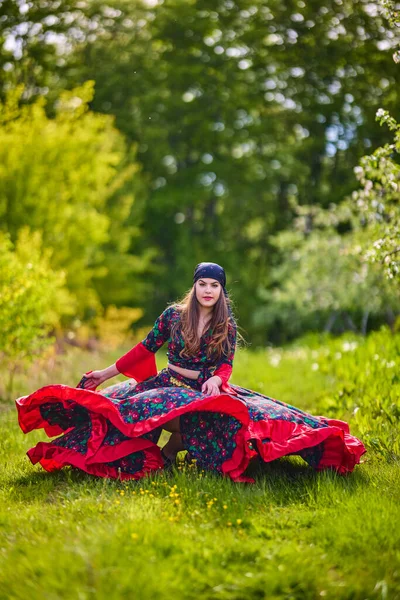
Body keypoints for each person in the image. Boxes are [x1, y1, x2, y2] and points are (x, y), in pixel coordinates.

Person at [16, 262, 366, 482]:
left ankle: (169, 454)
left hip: (204, 389)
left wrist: (217, 379)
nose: (208, 290)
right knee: (129, 411)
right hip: (168, 383)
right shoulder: (172, 316)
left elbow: (226, 364)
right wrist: (106, 375)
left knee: (253, 416)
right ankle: (167, 452)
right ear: (194, 287)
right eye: (203, 284)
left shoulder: (226, 324)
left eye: (215, 285)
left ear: (221, 291)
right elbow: (144, 348)